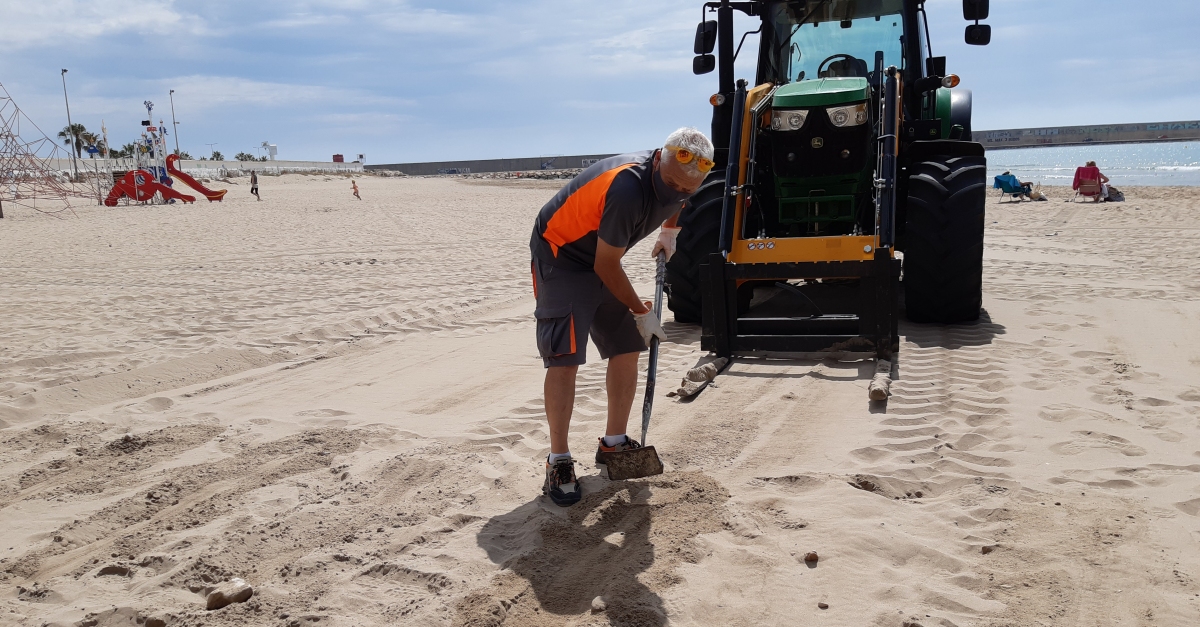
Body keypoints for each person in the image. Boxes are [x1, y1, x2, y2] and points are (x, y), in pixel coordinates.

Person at [530, 127, 714, 506]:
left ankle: (614, 443)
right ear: (660, 159)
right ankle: (559, 460)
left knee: (627, 347)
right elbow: (606, 264)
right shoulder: (628, 188)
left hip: (601, 256)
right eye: (671, 183)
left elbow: (675, 199)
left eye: (687, 190)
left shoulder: (679, 181)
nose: (677, 192)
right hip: (561, 256)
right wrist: (639, 310)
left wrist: (669, 231)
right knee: (565, 358)